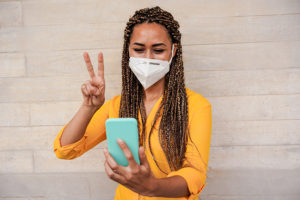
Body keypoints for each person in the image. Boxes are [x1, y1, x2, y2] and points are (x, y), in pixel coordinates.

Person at [53, 6, 212, 200]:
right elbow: (65, 150)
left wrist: (151, 187)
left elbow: (195, 173)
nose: (147, 58)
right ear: (128, 51)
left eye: (158, 50)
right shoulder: (116, 106)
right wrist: (89, 107)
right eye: (138, 49)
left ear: (173, 51)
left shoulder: (196, 106)